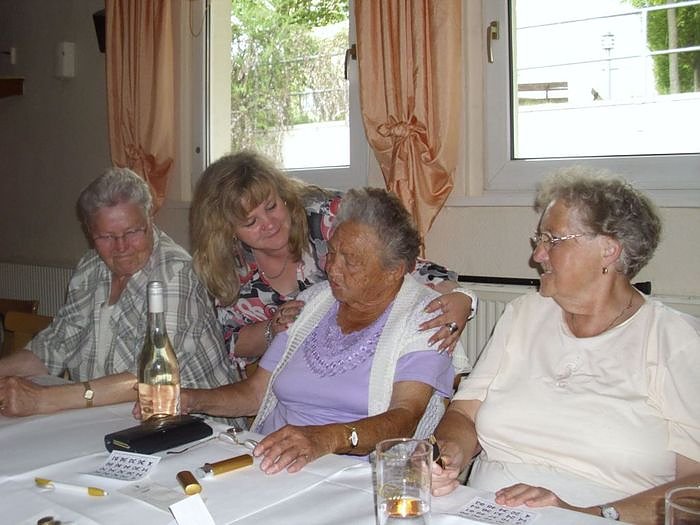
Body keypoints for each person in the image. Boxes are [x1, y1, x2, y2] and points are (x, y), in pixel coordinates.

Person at [430, 167, 700, 524]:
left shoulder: (674, 340)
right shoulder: (524, 314)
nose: (537, 255)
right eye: (539, 239)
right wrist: (447, 456)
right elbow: (464, 415)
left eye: (552, 240)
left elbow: (694, 488)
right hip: (484, 511)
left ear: (608, 250)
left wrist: (588, 514)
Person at [178, 187, 462, 474]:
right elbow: (254, 394)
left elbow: (405, 418)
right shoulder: (311, 302)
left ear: (394, 271)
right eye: (332, 252)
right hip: (269, 459)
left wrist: (327, 438)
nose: (333, 269)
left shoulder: (426, 318)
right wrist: (189, 399)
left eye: (351, 261)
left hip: (352, 477)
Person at [190, 151, 475, 373]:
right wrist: (272, 329)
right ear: (227, 230)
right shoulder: (227, 264)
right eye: (250, 222)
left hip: (365, 358)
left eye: (272, 206)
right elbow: (229, 340)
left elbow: (408, 265)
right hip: (289, 376)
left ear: (283, 195)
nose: (269, 224)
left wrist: (463, 299)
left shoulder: (328, 218)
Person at [0, 168, 242, 419]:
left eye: (132, 232)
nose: (121, 247)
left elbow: (147, 377)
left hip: (190, 424)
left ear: (150, 218)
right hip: (109, 416)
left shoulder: (176, 274)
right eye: (106, 236)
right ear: (89, 231)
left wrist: (41, 400)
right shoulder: (90, 269)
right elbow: (55, 345)